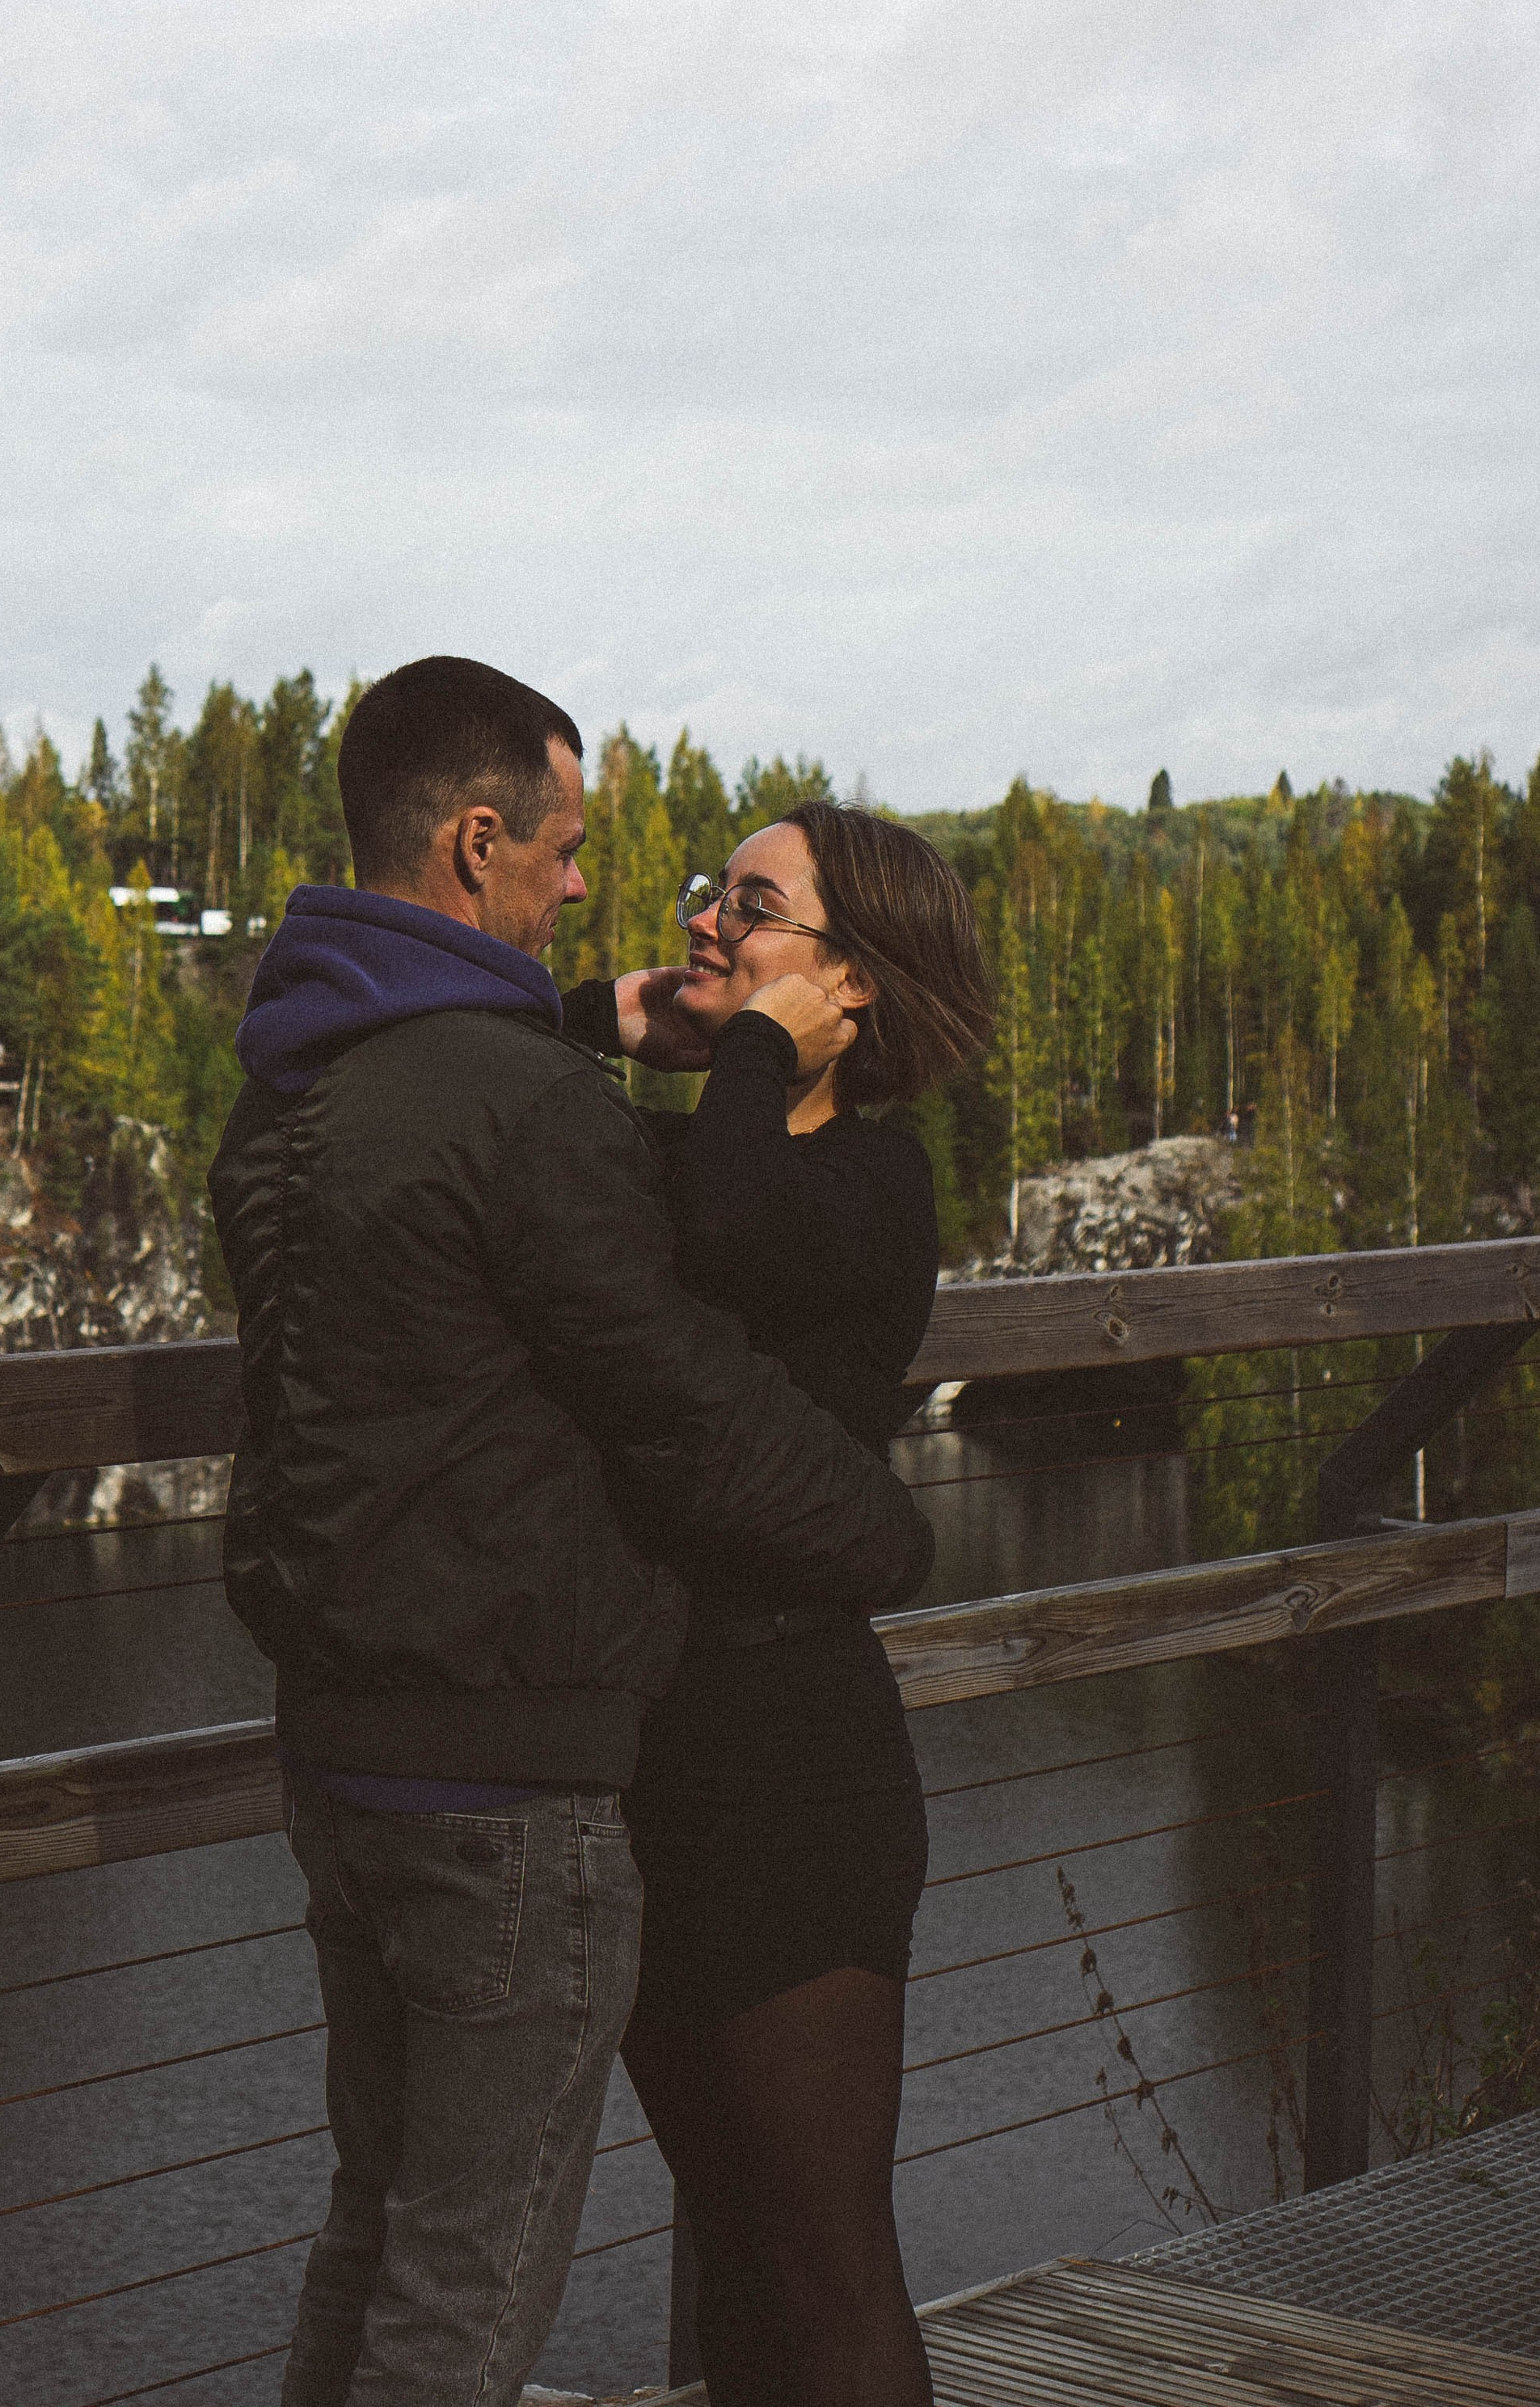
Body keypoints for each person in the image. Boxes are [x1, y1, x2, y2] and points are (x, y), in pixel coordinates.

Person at [209, 661, 936, 2407]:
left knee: (449, 2239)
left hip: (619, 1751)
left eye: (747, 905)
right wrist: (892, 1541)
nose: (621, 893)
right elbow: (668, 1363)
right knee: (470, 2277)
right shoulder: (536, 1110)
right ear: (477, 842)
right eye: (569, 845)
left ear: (852, 978)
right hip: (548, 1756)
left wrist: (649, 1045)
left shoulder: (297, 1086)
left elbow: (709, 1268)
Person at [560, 801, 990, 2407]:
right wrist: (595, 1018)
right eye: (704, 896)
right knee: (729, 2236)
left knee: (823, 2264)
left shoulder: (871, 1183)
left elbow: (735, 1229)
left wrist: (740, 1059)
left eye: (753, 907)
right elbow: (440, 1093)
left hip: (791, 1771)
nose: (702, 927)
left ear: (850, 981)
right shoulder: (685, 1143)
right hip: (652, 1757)